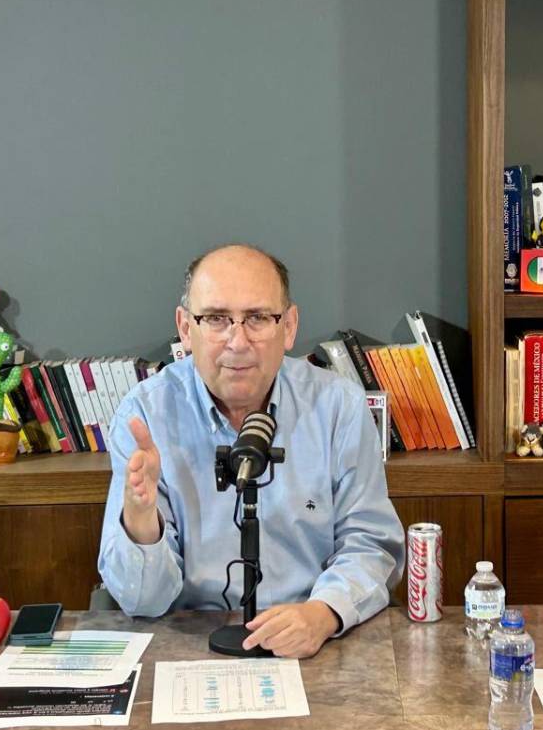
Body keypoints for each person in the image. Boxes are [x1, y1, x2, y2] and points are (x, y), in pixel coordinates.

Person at [98, 244, 404, 658]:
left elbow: (371, 545)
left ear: (289, 326)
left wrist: (324, 613)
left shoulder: (338, 407)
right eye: (216, 319)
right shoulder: (146, 415)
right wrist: (140, 522)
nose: (238, 342)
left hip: (312, 639)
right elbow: (144, 602)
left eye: (258, 318)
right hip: (189, 643)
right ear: (186, 328)